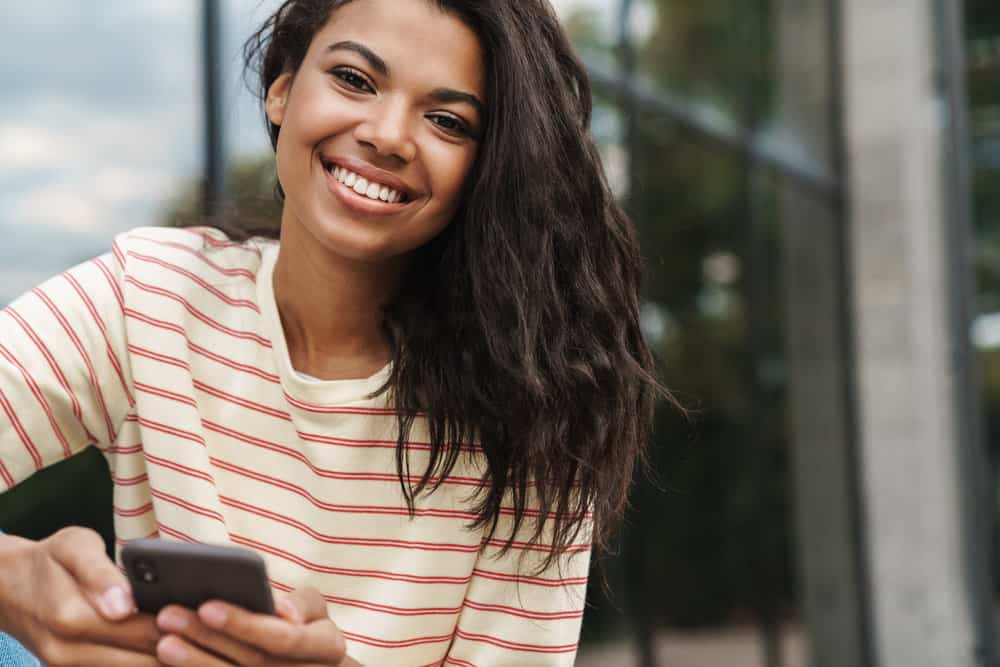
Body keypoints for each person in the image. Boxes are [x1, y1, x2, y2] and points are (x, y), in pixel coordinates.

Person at [0, 0, 668, 664]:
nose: (387, 135)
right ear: (283, 90)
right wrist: (18, 584)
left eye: (447, 120)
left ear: (488, 167)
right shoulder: (147, 295)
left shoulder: (538, 405)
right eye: (354, 80)